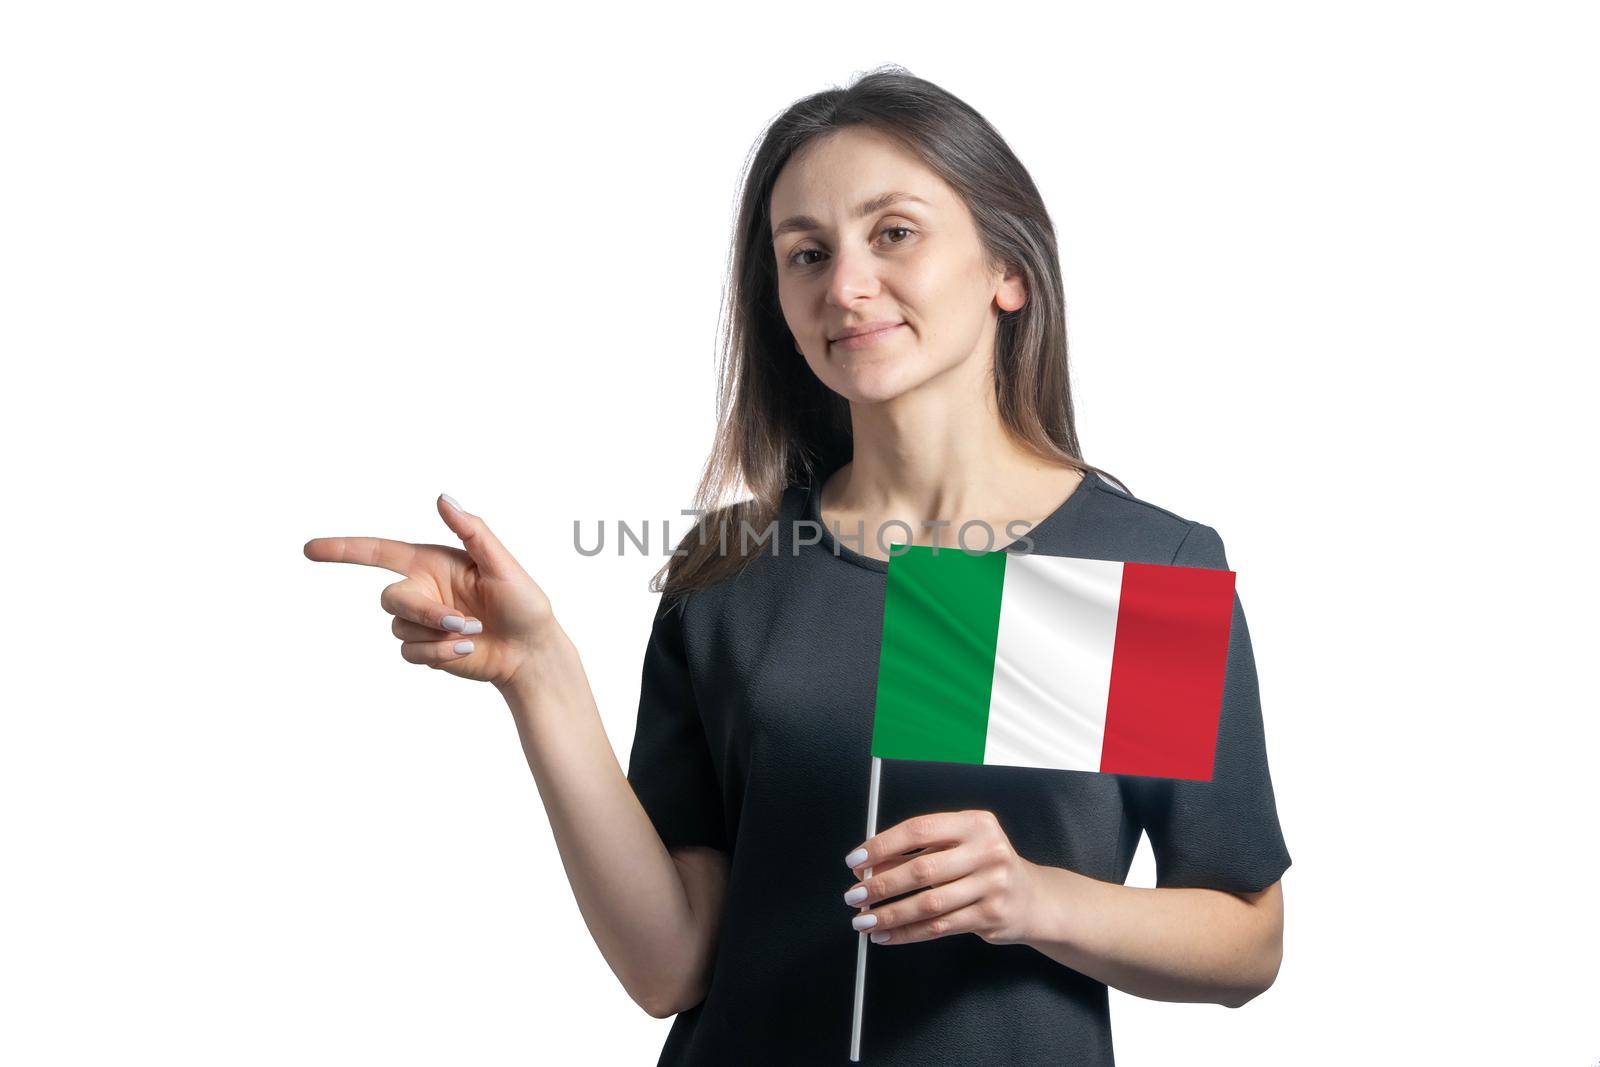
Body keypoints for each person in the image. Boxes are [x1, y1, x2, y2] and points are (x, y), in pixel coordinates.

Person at [304, 65, 1291, 1066]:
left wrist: (1040, 897)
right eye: (805, 253)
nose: (846, 284)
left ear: (1007, 268)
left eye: (893, 233)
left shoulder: (1130, 563)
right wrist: (538, 670)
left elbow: (1245, 936)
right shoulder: (736, 567)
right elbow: (669, 964)